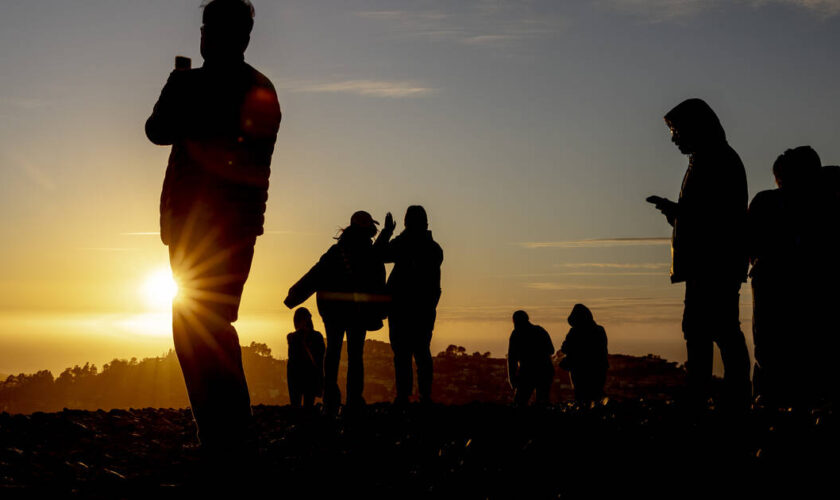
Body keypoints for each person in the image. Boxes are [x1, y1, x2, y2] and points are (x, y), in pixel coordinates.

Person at [145, 0, 281, 452]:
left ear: (233, 36)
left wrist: (176, 91)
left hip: (201, 224)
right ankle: (227, 430)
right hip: (234, 225)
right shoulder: (261, 87)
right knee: (211, 322)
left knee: (196, 323)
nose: (204, 37)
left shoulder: (197, 85)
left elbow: (157, 130)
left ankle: (223, 433)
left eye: (210, 29)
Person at [648, 98, 750, 411]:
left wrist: (680, 214)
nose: (673, 137)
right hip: (709, 262)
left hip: (713, 263)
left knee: (715, 329)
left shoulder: (716, 160)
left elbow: (716, 217)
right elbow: (704, 214)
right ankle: (709, 392)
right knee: (704, 329)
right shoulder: (707, 159)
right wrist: (677, 213)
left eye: (676, 130)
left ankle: (723, 396)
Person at [284, 211, 391, 414]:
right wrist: (386, 233)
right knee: (355, 356)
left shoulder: (337, 251)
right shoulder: (370, 254)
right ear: (369, 229)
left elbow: (314, 275)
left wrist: (293, 297)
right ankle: (353, 402)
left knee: (332, 354)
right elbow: (378, 278)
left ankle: (331, 401)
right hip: (359, 313)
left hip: (332, 313)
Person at [748, 147, 822, 405]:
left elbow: (747, 243)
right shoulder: (824, 207)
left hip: (771, 291)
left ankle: (769, 405)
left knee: (770, 352)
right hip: (808, 293)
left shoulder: (765, 202)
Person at [380, 206, 443, 406]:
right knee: (422, 353)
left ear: (407, 223)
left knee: (403, 355)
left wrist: (388, 232)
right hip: (424, 309)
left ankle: (404, 397)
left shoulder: (404, 244)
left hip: (400, 308)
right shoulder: (434, 250)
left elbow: (379, 255)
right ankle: (424, 396)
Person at [559, 304, 608, 403]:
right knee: (596, 396)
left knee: (581, 397)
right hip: (598, 369)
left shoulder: (574, 332)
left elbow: (565, 348)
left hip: (579, 370)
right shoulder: (599, 330)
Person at [507, 311, 555, 406]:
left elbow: (512, 359)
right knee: (543, 402)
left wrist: (512, 379)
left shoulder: (516, 334)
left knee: (520, 403)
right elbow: (551, 350)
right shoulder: (540, 330)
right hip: (545, 370)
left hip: (527, 373)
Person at [286, 308, 325, 410]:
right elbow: (320, 360)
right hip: (310, 377)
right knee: (308, 407)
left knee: (296, 406)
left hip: (297, 377)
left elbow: (292, 360)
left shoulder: (292, 337)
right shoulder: (318, 336)